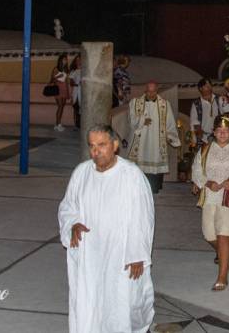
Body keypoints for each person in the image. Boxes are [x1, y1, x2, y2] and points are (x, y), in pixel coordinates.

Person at [58, 125, 155, 333]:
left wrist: (137, 253)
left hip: (121, 254)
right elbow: (67, 206)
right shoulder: (81, 172)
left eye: (102, 145)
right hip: (89, 255)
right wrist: (72, 224)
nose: (96, 151)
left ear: (115, 145)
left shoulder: (131, 175)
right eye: (92, 146)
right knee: (89, 301)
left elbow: (143, 217)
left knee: (123, 303)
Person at [191, 114, 229, 291]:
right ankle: (227, 254)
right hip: (210, 196)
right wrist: (206, 182)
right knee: (209, 235)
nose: (222, 133)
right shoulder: (205, 149)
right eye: (219, 130)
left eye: (226, 130)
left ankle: (222, 276)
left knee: (224, 235)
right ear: (214, 132)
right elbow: (196, 169)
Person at [127, 81, 180, 194]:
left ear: (157, 91)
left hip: (157, 142)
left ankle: (154, 187)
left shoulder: (165, 104)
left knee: (156, 160)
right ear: (145, 91)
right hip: (141, 142)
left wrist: (171, 136)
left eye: (153, 91)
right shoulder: (135, 102)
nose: (151, 94)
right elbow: (131, 121)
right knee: (140, 161)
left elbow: (170, 122)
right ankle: (139, 188)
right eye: (149, 91)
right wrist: (142, 121)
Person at [190, 78, 221, 145]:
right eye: (206, 86)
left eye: (210, 86)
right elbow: (194, 120)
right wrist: (198, 132)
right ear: (200, 89)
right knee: (204, 155)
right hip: (203, 137)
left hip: (219, 135)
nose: (209, 88)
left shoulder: (219, 99)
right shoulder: (196, 103)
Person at [51, 53, 72, 133]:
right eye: (64, 59)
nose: (65, 61)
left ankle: (58, 124)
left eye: (66, 59)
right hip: (58, 88)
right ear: (60, 60)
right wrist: (57, 77)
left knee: (62, 106)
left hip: (64, 88)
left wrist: (68, 92)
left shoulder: (66, 70)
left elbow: (66, 81)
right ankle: (58, 124)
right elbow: (52, 80)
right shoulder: (56, 69)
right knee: (60, 106)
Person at [68, 54, 82, 131]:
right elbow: (71, 82)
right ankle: (76, 125)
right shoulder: (73, 71)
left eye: (80, 60)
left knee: (82, 109)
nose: (78, 61)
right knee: (76, 108)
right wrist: (76, 84)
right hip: (76, 91)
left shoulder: (85, 70)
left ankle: (82, 124)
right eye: (77, 60)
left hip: (83, 92)